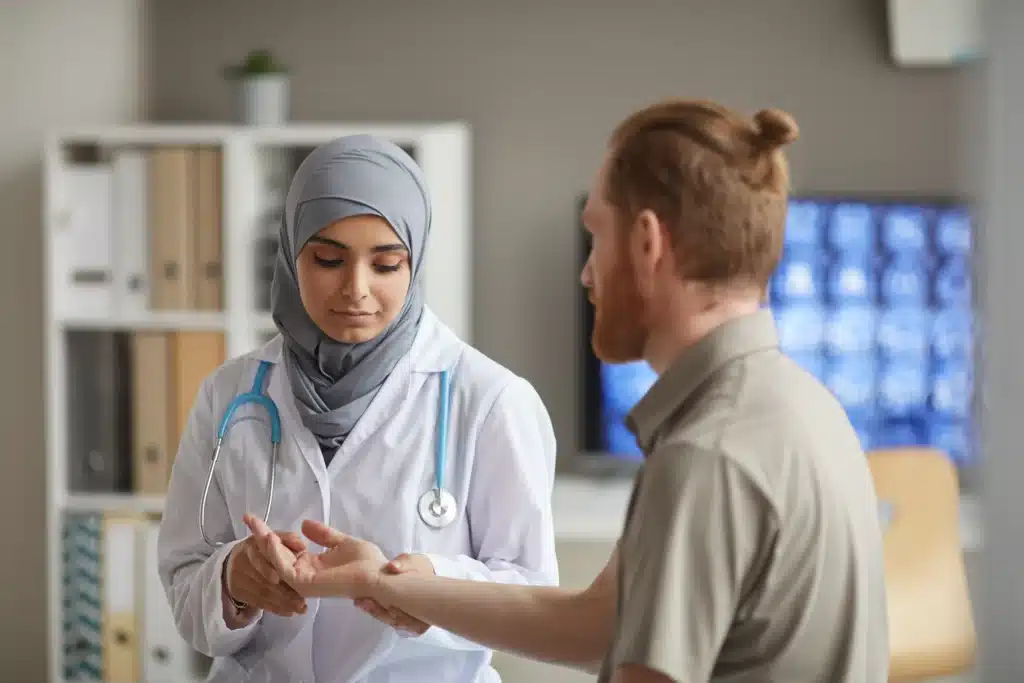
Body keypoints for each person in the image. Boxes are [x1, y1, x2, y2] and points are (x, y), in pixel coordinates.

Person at [247, 99, 891, 683]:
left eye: (597, 235)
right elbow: (599, 625)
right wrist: (393, 585)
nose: (587, 271)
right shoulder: (801, 407)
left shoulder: (706, 457)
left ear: (646, 242)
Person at [157, 134, 559, 683]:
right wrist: (231, 581)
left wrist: (422, 583)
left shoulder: (489, 400)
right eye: (327, 259)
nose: (356, 289)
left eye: (387, 264)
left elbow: (533, 599)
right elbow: (184, 583)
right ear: (290, 249)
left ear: (414, 262)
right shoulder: (230, 394)